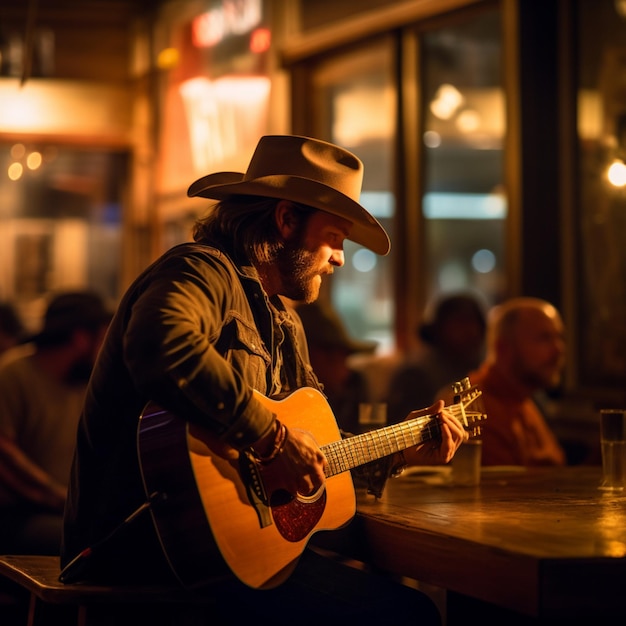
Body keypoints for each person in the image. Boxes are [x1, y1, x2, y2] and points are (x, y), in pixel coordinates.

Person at [60, 135, 468, 625]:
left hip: (225, 559)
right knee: (410, 613)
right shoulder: (200, 271)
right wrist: (270, 436)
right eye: (335, 237)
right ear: (286, 220)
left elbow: (314, 455)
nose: (339, 258)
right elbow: (159, 344)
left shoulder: (284, 322)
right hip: (146, 555)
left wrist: (400, 450)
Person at [0, 290, 112, 555]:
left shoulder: (88, 384)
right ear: (81, 338)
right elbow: (4, 456)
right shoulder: (13, 375)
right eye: (104, 339)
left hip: (68, 510)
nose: (107, 349)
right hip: (17, 513)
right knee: (91, 546)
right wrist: (62, 499)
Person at [439, 296, 567, 467]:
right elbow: (507, 489)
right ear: (503, 349)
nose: (559, 349)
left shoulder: (523, 397)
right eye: (544, 338)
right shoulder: (472, 408)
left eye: (559, 337)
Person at [386, 292, 487, 424]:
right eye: (462, 322)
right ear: (440, 328)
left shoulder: (480, 370)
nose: (472, 331)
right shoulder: (415, 375)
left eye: (476, 323)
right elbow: (400, 428)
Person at [294, 300, 377, 435]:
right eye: (340, 357)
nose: (345, 368)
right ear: (315, 355)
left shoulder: (354, 384)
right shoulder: (295, 397)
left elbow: (366, 432)